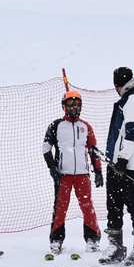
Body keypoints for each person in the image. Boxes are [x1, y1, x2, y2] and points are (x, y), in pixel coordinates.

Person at [101, 67, 134, 266]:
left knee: (133, 204)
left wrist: (123, 158)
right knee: (113, 204)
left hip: (128, 164)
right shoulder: (129, 99)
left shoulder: (133, 100)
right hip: (119, 163)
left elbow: (133, 132)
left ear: (119, 85)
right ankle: (115, 245)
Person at [42, 90, 104, 255]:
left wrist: (98, 170)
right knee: (60, 208)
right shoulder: (56, 126)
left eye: (77, 104)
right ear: (64, 106)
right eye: (70, 104)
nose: (74, 107)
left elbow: (93, 150)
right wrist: (52, 167)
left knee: (87, 207)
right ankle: (56, 240)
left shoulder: (85, 126)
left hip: (82, 175)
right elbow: (46, 148)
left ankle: (92, 240)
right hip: (63, 176)